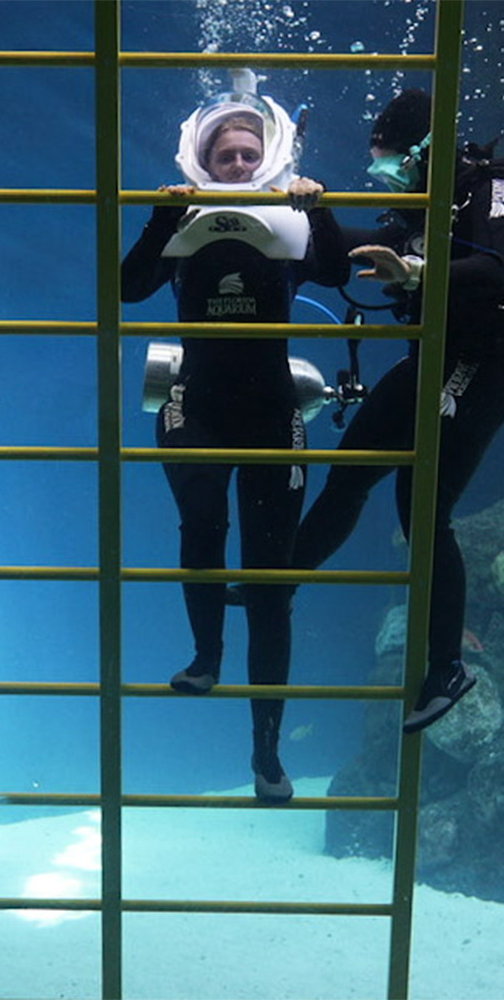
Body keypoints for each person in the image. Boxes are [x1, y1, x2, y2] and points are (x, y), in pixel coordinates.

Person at [282, 88, 504, 733]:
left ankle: (445, 666)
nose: (385, 175)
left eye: (390, 160)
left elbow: (491, 270)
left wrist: (417, 271)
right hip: (436, 356)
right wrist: (317, 212)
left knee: (422, 509)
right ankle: (279, 582)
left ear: (424, 149)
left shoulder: (493, 191)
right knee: (350, 471)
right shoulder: (428, 204)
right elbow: (350, 257)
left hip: (487, 361)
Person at [122, 74, 349, 803]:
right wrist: (162, 218)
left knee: (271, 581)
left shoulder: (289, 217)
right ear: (204, 160)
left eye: (252, 153)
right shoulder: (183, 225)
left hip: (271, 406)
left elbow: (340, 272)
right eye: (229, 156)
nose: (242, 164)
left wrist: (323, 209)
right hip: (198, 402)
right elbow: (127, 287)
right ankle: (205, 655)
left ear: (270, 154)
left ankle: (267, 753)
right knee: (202, 516)